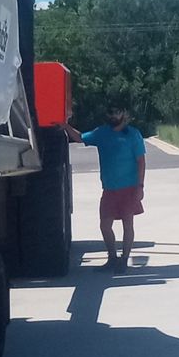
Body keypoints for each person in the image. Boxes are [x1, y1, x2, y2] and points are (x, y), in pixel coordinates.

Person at [71, 104, 148, 268]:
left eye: (117, 112)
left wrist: (140, 186)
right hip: (109, 189)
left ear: (124, 114)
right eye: (111, 113)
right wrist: (64, 125)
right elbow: (80, 137)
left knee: (128, 224)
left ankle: (124, 260)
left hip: (129, 188)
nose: (114, 117)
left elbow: (141, 161)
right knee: (105, 225)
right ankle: (112, 258)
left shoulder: (133, 134)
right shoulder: (102, 132)